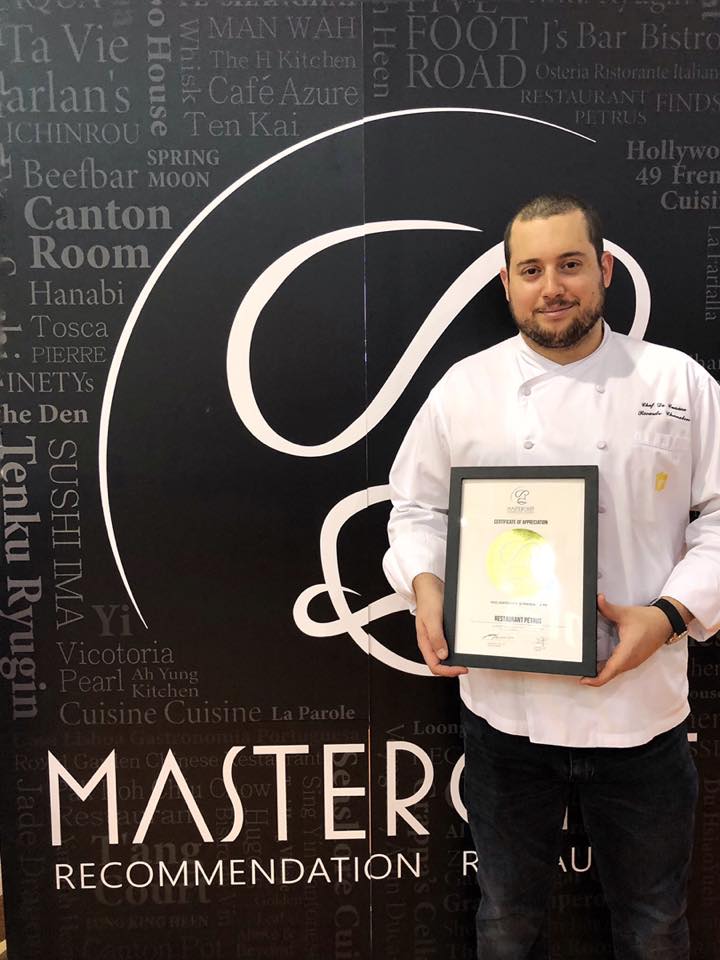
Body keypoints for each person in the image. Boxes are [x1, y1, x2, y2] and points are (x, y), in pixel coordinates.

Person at [383, 194, 720, 960]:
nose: (552, 287)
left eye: (570, 264)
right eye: (531, 270)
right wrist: (426, 587)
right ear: (507, 283)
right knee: (507, 921)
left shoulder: (677, 381)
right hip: (506, 714)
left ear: (604, 270)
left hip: (641, 714)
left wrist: (669, 614)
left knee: (655, 924)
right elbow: (416, 508)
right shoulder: (464, 389)